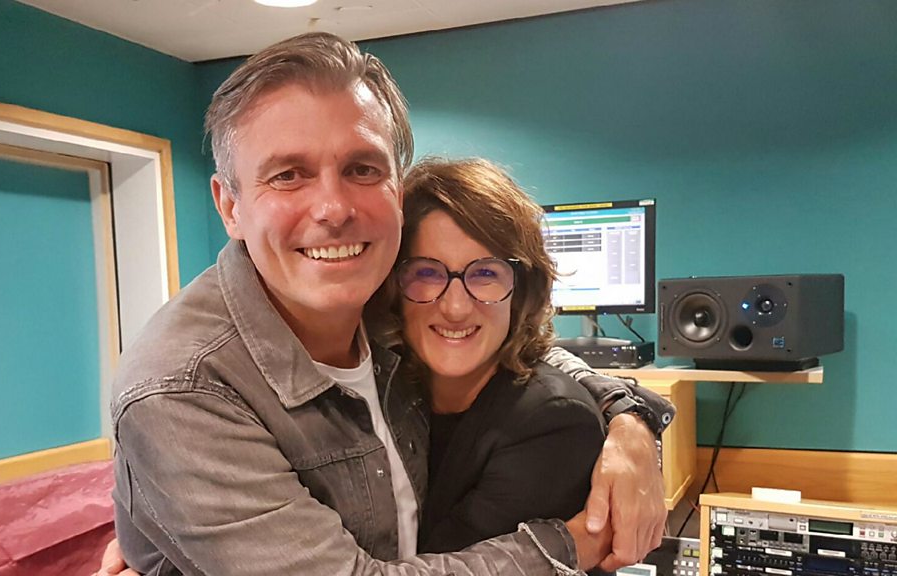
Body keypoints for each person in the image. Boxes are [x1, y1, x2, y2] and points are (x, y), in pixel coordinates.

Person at [106, 31, 671, 576]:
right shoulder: (184, 387)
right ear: (230, 206)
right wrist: (567, 546)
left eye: (362, 169)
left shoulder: (374, 306)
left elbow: (520, 349)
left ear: (395, 193)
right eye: (288, 174)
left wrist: (631, 420)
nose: (333, 208)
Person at [372, 158, 605, 556]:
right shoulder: (390, 396)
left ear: (521, 290)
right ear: (393, 286)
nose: (456, 308)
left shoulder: (552, 423)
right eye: (427, 273)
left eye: (484, 274)